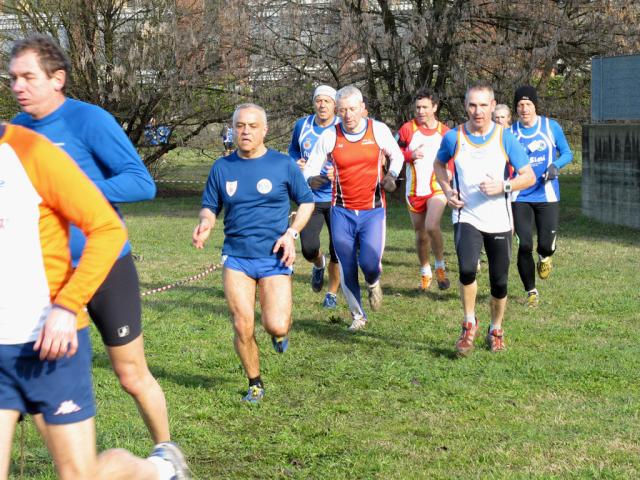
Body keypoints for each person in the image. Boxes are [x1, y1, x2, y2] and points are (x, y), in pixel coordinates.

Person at [9, 35, 173, 448]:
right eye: (13, 78)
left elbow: (141, 182)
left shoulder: (90, 120)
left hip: (104, 265)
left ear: (58, 79)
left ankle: (168, 455)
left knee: (130, 374)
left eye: (28, 77)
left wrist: (74, 190)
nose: (18, 87)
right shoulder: (15, 133)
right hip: (45, 276)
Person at [0, 124, 189, 480]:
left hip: (46, 341)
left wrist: (66, 305)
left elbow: (107, 227)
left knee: (80, 475)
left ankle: (160, 467)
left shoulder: (31, 151)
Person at [193, 103, 314, 403]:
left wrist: (291, 234)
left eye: (252, 126)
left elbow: (307, 202)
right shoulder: (222, 167)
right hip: (236, 257)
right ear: (233, 129)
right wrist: (205, 224)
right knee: (241, 323)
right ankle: (255, 383)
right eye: (240, 126)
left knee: (276, 324)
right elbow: (210, 206)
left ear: (265, 130)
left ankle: (279, 333)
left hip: (274, 257)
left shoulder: (282, 164)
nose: (245, 131)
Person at [434, 83, 535, 356]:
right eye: (472, 105)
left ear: (493, 106)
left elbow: (528, 176)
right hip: (466, 214)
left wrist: (503, 186)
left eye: (483, 105)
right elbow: (439, 165)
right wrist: (446, 190)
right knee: (467, 269)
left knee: (499, 281)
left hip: (498, 219)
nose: (477, 111)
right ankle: (469, 323)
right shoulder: (454, 137)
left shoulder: (505, 138)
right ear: (465, 106)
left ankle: (496, 328)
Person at [304, 85, 404, 331]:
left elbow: (398, 156)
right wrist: (312, 179)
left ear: (362, 109)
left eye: (352, 109)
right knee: (347, 263)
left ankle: (373, 282)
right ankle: (358, 316)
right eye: (343, 110)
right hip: (341, 212)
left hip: (372, 210)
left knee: (369, 263)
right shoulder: (330, 136)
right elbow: (310, 168)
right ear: (337, 111)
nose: (348, 115)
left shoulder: (377, 130)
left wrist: (391, 175)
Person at [510, 85, 573, 307]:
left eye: (528, 104)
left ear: (535, 105)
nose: (524, 109)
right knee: (524, 244)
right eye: (520, 105)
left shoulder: (550, 126)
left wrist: (555, 166)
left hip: (546, 195)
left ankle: (545, 256)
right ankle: (531, 291)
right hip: (520, 196)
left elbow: (567, 153)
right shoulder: (511, 132)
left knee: (545, 245)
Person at [288, 85, 341, 308]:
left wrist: (337, 172)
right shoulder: (303, 125)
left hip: (338, 197)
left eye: (327, 101)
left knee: (338, 248)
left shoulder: (342, 126)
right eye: (318, 100)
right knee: (309, 248)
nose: (322, 105)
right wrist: (295, 163)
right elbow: (292, 152)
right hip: (310, 197)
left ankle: (332, 293)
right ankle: (318, 264)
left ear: (334, 105)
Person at [397, 89, 451, 291]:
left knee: (431, 225)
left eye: (424, 107)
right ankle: (425, 270)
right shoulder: (407, 129)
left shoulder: (445, 132)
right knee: (420, 235)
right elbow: (394, 153)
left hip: (437, 187)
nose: (420, 111)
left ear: (434, 107)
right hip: (414, 189)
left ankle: (440, 265)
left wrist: (451, 174)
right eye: (418, 107)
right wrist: (410, 155)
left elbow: (453, 156)